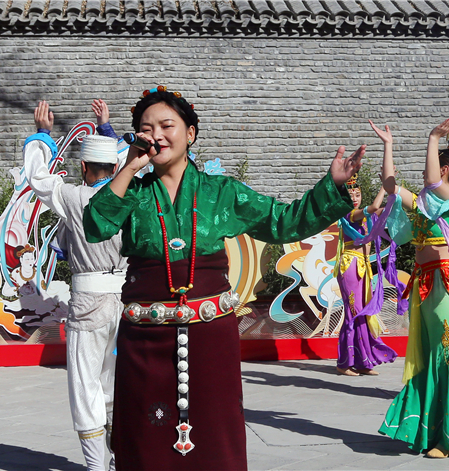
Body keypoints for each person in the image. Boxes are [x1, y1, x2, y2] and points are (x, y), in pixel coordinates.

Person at [82, 86, 363, 470]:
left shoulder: (222, 193)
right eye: (147, 129)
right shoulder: (133, 193)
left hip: (210, 339)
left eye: (167, 125)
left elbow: (283, 222)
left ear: (190, 133)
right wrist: (129, 167)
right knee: (147, 434)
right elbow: (95, 225)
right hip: (144, 341)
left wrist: (331, 186)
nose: (157, 135)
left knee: (214, 434)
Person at [24, 100, 127, 471]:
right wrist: (106, 129)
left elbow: (38, 178)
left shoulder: (74, 197)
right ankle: (118, 460)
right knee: (115, 383)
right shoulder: (131, 198)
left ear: (83, 167)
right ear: (115, 168)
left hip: (88, 300)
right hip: (125, 299)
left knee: (86, 386)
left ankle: (96, 466)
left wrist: (42, 134)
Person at [377, 114, 449, 458]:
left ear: (445, 170)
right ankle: (427, 431)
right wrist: (388, 145)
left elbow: (434, 184)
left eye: (431, 169)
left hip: (445, 285)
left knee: (445, 354)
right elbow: (390, 187)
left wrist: (433, 139)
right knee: (426, 355)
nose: (424, 176)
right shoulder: (425, 207)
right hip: (423, 283)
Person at [335, 172, 398, 376]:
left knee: (364, 312)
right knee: (353, 312)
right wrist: (383, 186)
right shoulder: (350, 214)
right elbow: (373, 207)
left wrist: (392, 189)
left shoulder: (365, 217)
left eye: (357, 194)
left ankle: (363, 361)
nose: (354, 198)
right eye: (351, 195)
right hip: (350, 265)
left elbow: (383, 210)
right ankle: (344, 363)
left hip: (363, 266)